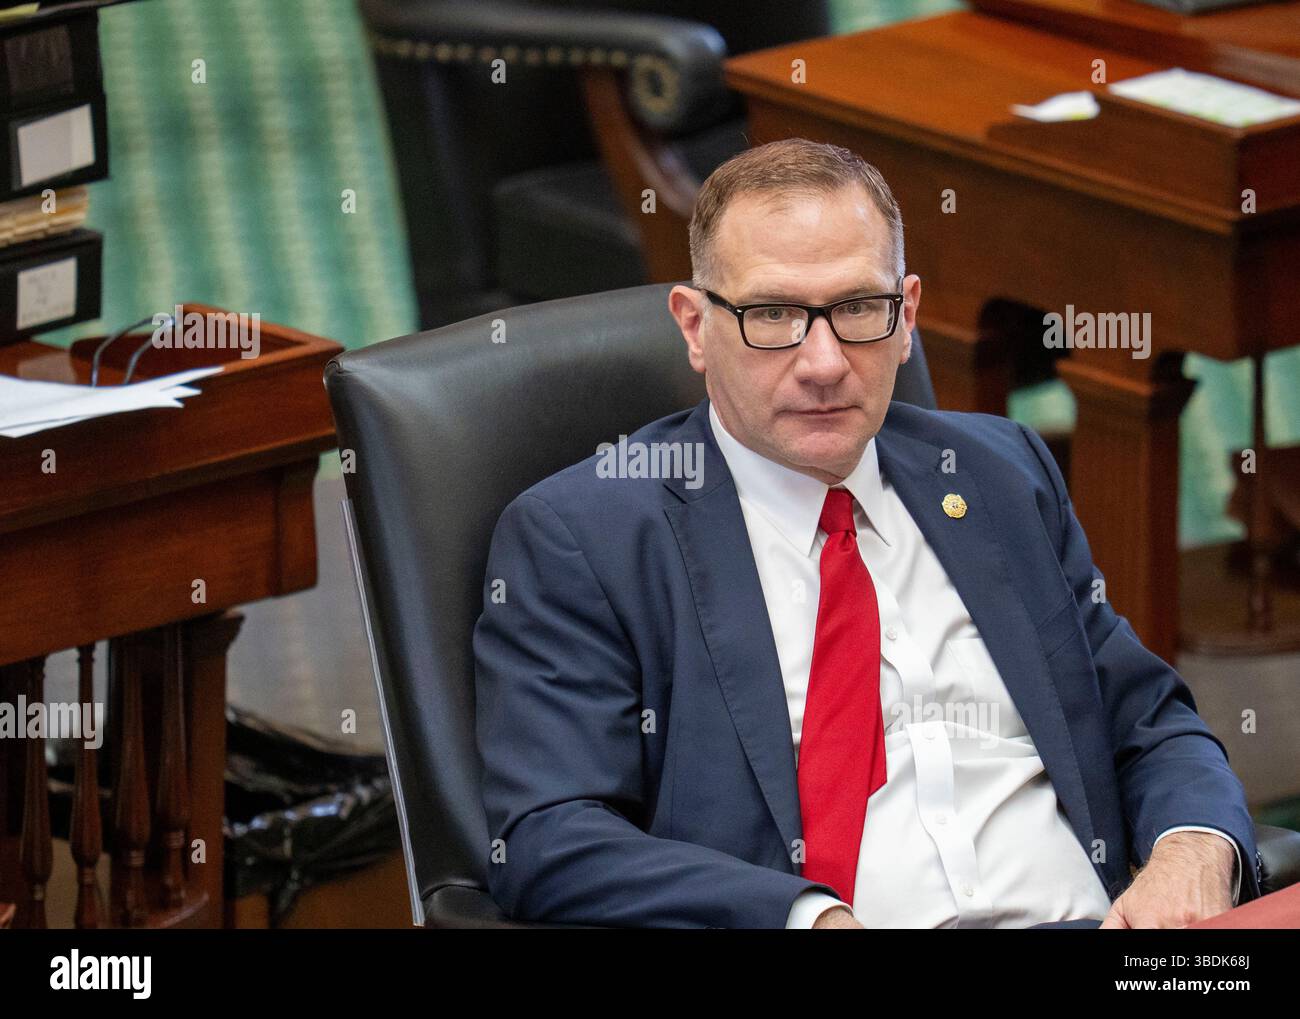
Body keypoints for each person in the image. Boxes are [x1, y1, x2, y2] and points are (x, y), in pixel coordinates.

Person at [472, 138, 1258, 928]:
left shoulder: (997, 473)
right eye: (772, 313)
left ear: (907, 314)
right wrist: (804, 917)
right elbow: (553, 837)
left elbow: (1145, 716)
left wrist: (1194, 848)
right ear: (695, 325)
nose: (823, 362)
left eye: (856, 309)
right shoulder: (586, 537)